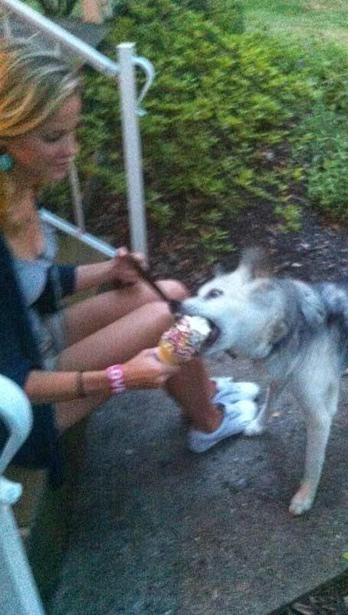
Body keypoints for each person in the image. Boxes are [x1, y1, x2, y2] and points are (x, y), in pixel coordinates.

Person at [0, 38, 259, 485]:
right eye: (53, 137)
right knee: (165, 317)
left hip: (33, 339)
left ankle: (207, 391)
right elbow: (13, 381)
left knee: (172, 293)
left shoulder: (18, 181)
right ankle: (209, 423)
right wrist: (118, 378)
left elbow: (29, 284)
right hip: (22, 404)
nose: (72, 150)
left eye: (73, 131)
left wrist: (109, 272)